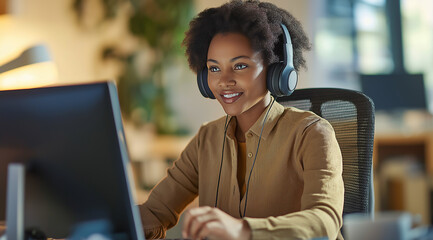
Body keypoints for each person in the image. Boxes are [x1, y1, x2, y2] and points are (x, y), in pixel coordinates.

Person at [138, 0, 344, 239]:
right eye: (214, 69)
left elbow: (324, 221)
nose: (224, 80)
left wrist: (242, 230)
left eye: (240, 66)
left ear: (276, 71)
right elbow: (154, 212)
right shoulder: (206, 139)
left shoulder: (312, 134)